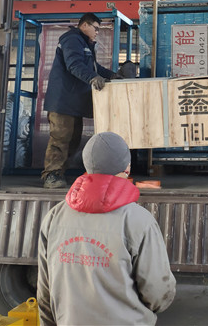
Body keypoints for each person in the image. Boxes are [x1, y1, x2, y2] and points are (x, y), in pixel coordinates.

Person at [37, 132, 176, 326]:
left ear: (87, 165)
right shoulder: (139, 221)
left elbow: (45, 293)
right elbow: (157, 293)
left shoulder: (54, 217)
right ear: (127, 167)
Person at [42, 13, 117, 189]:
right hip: (63, 101)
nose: (97, 32)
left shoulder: (85, 44)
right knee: (61, 138)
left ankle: (60, 173)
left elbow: (94, 67)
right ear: (84, 25)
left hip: (74, 103)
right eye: (95, 28)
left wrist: (113, 75)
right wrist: (92, 78)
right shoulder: (72, 39)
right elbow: (74, 64)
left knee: (73, 140)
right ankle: (51, 175)